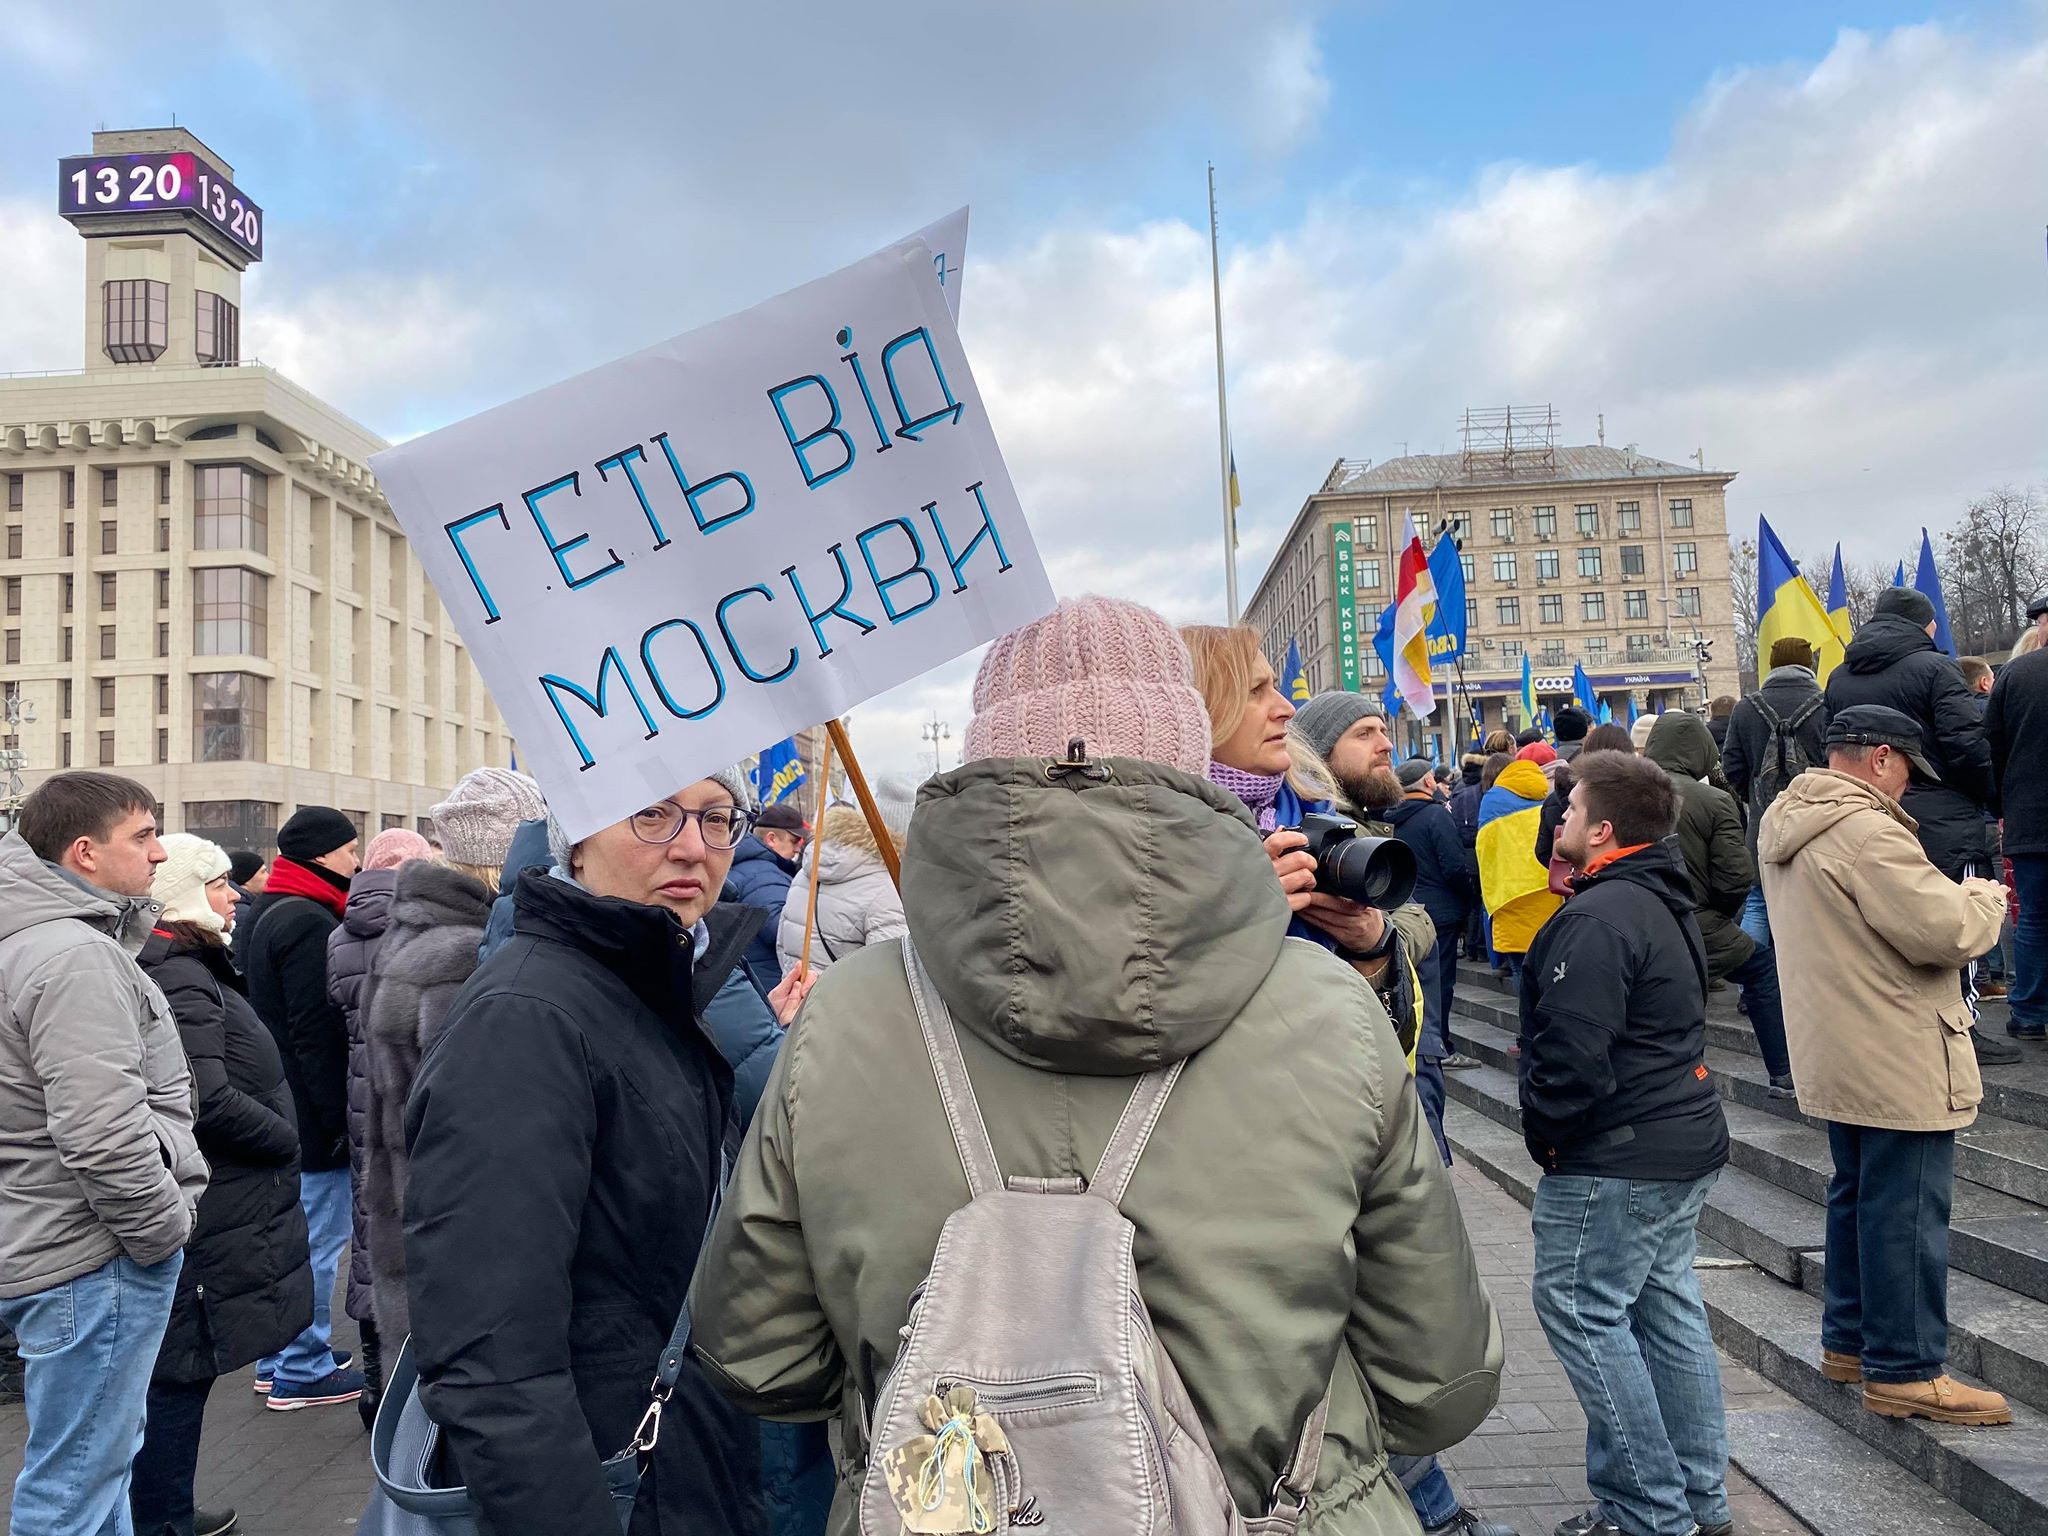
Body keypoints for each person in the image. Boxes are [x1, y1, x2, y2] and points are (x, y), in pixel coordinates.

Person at [689, 596, 1505, 1536]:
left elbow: (760, 1358)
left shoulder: (843, 1017)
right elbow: (1444, 1384)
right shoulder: (1327, 1012)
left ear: (981, 758)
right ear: (1184, 758)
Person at [404, 767, 813, 1535]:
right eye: (652, 814)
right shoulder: (527, 1019)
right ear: (578, 843)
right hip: (607, 1478)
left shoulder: (648, 989)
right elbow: (492, 1357)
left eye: (717, 817)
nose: (694, 847)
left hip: (680, 1462)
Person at [1758, 705, 2012, 1426]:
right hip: (1895, 1046)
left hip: (1841, 1045)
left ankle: (1849, 1343)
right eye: (1905, 769)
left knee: (1859, 1196)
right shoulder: (1865, 832)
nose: (1906, 786)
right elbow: (1949, 931)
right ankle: (1904, 1369)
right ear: (1878, 757)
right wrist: (1983, 895)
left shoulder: (1790, 820)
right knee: (1906, 1213)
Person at [1521, 751, 1733, 1536]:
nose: (1561, 821)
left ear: (1602, 829)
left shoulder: (1603, 915)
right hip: (1675, 1136)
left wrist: (1546, 1138)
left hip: (1621, 1149)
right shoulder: (1654, 896)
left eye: (1570, 810)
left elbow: (1574, 1052)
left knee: (1582, 1309)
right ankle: (1696, 1504)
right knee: (1664, 1308)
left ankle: (1649, 1511)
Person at [0, 772, 207, 1535]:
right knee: (76, 1485)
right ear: (85, 853)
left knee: (93, 1474)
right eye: (143, 835)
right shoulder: (71, 954)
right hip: (94, 1254)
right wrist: (159, 1232)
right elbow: (98, 1130)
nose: (158, 853)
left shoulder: (42, 941)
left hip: (65, 1244)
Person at [131, 836, 312, 1536]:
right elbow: (205, 1097)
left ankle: (165, 1508)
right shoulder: (180, 973)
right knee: (180, 1367)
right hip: (216, 1193)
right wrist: (283, 1136)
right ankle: (163, 1517)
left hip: (220, 1191)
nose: (236, 894)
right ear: (182, 893)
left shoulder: (191, 964)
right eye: (218, 883)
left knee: (183, 1366)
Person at [360, 764, 542, 1346]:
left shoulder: (417, 936)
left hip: (423, 1223)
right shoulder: (467, 958)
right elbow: (489, 1131)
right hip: (465, 1247)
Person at [1189, 642, 1434, 1060]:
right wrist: (1244, 907)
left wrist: (1373, 944)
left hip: (1343, 1086)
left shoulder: (1318, 817)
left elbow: (1390, 1041)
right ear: (1195, 714)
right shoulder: (1166, 839)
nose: (1285, 707)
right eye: (1255, 691)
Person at [1824, 586, 2010, 1061]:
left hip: (1870, 812)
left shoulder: (1841, 675)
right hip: (1945, 814)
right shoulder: (1936, 669)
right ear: (1924, 624)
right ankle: (1963, 1029)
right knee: (1957, 920)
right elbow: (1967, 744)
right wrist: (1989, 794)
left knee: (1889, 927)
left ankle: (1907, 1027)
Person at [239, 806, 364, 1411]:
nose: (357, 860)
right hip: (312, 1116)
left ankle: (279, 1358)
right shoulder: (310, 921)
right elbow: (317, 1032)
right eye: (348, 849)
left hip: (286, 1102)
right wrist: (338, 1116)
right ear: (321, 854)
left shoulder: (274, 909)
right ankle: (301, 1366)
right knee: (317, 1242)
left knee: (300, 1237)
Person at [324, 825, 433, 1430]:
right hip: (413, 1092)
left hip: (361, 1097)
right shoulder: (422, 930)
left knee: (371, 1237)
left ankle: (374, 1381)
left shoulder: (341, 933)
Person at [1643, 713, 1796, 1098]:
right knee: (1761, 972)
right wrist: (1720, 914)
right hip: (1695, 922)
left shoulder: (1611, 795)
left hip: (1629, 923)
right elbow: (1734, 876)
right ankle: (1783, 1074)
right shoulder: (1712, 800)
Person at [1721, 637, 1829, 952]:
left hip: (1763, 821)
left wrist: (1756, 797)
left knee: (1759, 900)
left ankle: (1752, 988)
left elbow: (1732, 767)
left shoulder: (1745, 707)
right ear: (1809, 665)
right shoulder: (1826, 704)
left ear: (1772, 665)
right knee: (1814, 906)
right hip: (1817, 820)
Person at [1385, 756, 1483, 1100]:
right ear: (1428, 782)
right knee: (1440, 986)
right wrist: (1469, 897)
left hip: (1404, 910)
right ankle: (1439, 1046)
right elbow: (1454, 865)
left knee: (1417, 987)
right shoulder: (1436, 815)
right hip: (1439, 914)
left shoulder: (1388, 819)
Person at [1987, 592, 2048, 1040]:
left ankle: (2028, 1012)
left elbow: (1991, 746)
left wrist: (2000, 804)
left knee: (2035, 918)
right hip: (2028, 816)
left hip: (2030, 818)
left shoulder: (2017, 674)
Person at [775, 803, 906, 977]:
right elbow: (890, 975)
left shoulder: (805, 872)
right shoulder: (887, 887)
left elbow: (783, 945)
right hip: (848, 1002)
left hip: (796, 997)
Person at [1478, 753, 1562, 979]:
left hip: (1508, 900)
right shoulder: (1552, 797)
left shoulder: (1491, 801)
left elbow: (1486, 855)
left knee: (1521, 974)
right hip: (1550, 895)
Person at [727, 801, 808, 994]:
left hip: (751, 982)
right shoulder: (764, 876)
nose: (798, 848)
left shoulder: (748, 865)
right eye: (794, 840)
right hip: (768, 987)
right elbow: (782, 931)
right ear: (771, 839)